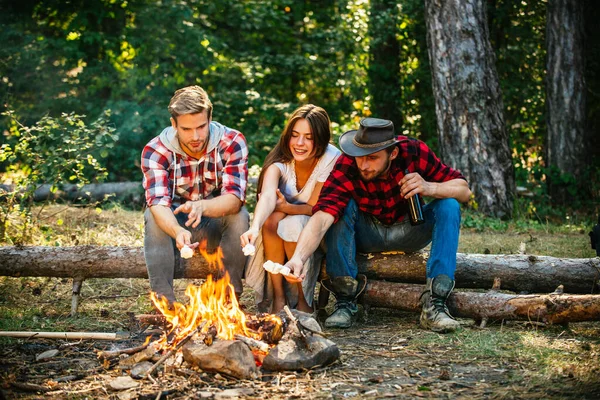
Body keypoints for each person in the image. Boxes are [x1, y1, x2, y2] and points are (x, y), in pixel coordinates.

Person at [283, 117, 471, 332]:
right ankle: (345, 301)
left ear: (393, 153)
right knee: (337, 208)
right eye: (359, 157)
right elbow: (323, 216)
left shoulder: (414, 151)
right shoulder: (347, 163)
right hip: (366, 233)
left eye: (372, 158)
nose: (363, 165)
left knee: (448, 205)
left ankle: (435, 305)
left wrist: (429, 187)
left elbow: (463, 190)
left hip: (409, 229)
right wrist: (298, 257)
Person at [141, 85, 249, 304]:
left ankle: (230, 298)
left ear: (210, 118)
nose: (196, 136)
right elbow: (158, 203)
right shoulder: (155, 150)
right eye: (186, 129)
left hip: (216, 222)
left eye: (201, 127)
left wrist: (202, 206)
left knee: (240, 215)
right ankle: (165, 306)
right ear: (174, 124)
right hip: (175, 226)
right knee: (152, 216)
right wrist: (176, 229)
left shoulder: (232, 142)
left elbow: (235, 199)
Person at [241, 105, 340, 313]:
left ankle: (304, 301)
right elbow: (268, 195)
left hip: (318, 228)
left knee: (289, 222)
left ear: (320, 139)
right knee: (271, 219)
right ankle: (279, 297)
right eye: (294, 135)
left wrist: (286, 207)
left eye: (308, 137)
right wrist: (255, 226)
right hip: (281, 226)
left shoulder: (330, 157)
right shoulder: (280, 161)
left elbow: (315, 207)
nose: (299, 143)